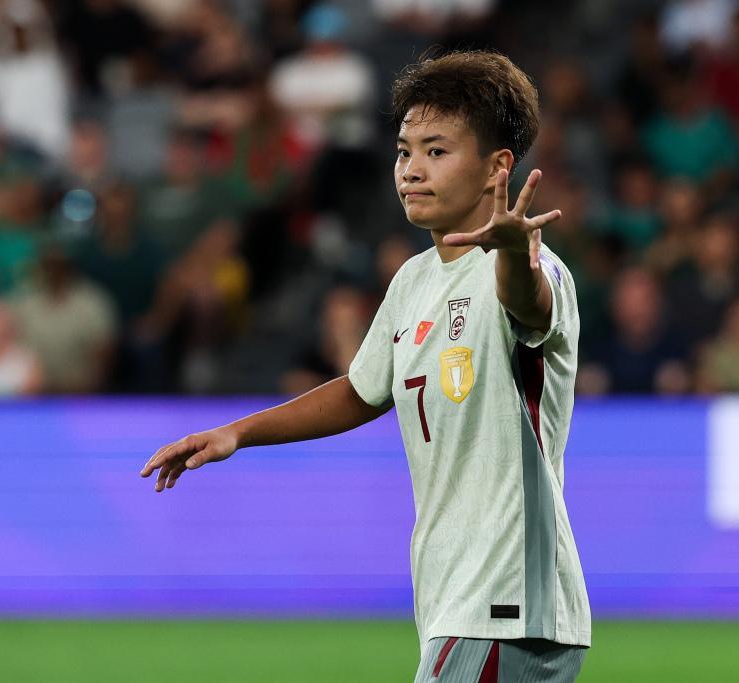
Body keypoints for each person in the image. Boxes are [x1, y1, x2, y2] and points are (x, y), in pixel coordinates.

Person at [139, 49, 591, 681]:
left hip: (505, 602)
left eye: (437, 151)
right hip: (456, 603)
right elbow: (361, 390)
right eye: (405, 152)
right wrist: (236, 433)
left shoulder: (532, 267)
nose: (412, 169)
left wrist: (514, 253)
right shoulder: (414, 280)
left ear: (498, 167)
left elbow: (529, 302)